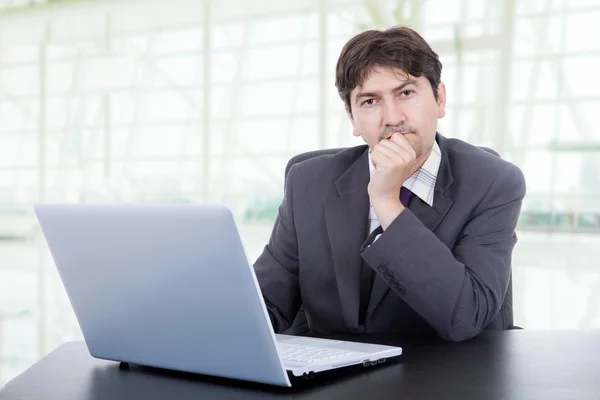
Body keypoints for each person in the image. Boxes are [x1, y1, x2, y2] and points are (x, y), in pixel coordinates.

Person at [253, 26, 526, 341]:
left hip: (442, 379)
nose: (392, 117)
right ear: (352, 118)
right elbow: (266, 303)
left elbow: (465, 315)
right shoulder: (308, 182)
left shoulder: (493, 182)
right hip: (334, 383)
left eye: (406, 93)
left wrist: (386, 202)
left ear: (439, 99)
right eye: (370, 101)